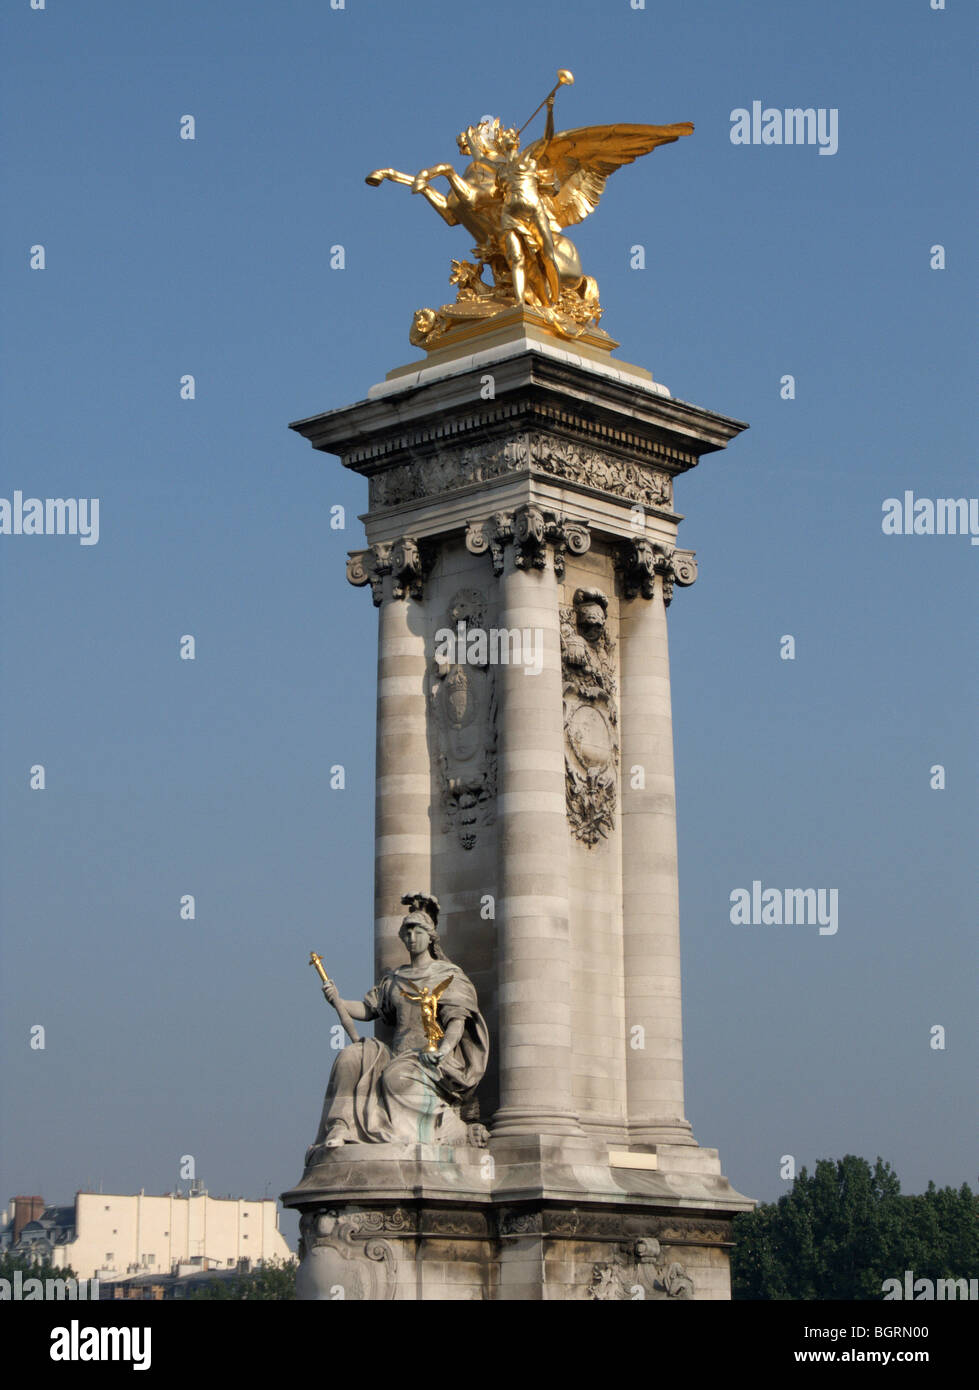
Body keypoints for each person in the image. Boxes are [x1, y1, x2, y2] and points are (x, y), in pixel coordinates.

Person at [309, 894, 488, 1150]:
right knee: (350, 1057)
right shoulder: (394, 979)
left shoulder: (449, 976)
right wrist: (337, 999)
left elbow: (456, 1024)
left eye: (418, 931)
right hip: (397, 1053)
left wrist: (442, 1051)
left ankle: (432, 1131)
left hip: (434, 1059)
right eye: (407, 932)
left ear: (431, 936)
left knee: (395, 1076)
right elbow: (368, 1009)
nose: (412, 938)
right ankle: (341, 1125)